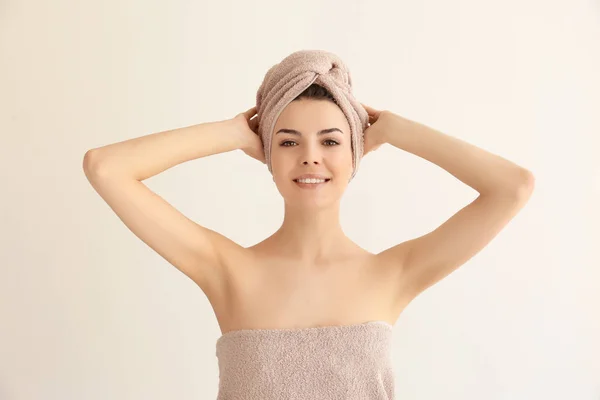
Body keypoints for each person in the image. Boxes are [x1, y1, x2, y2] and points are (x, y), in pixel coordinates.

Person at [83, 53, 534, 399]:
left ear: (356, 151)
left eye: (332, 141)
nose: (310, 157)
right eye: (288, 141)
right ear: (266, 156)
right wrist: (232, 132)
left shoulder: (393, 273)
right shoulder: (227, 269)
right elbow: (105, 168)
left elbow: (513, 187)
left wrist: (397, 129)